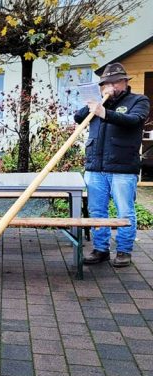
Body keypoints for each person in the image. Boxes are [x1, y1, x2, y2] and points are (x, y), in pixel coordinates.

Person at [79, 62, 151, 268]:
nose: (110, 86)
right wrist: (92, 103)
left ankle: (123, 250)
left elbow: (133, 121)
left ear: (124, 82)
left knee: (125, 211)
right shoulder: (99, 103)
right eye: (105, 83)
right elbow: (78, 117)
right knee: (96, 211)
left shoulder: (138, 100)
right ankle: (100, 249)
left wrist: (104, 112)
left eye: (114, 82)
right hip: (95, 166)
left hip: (122, 166)